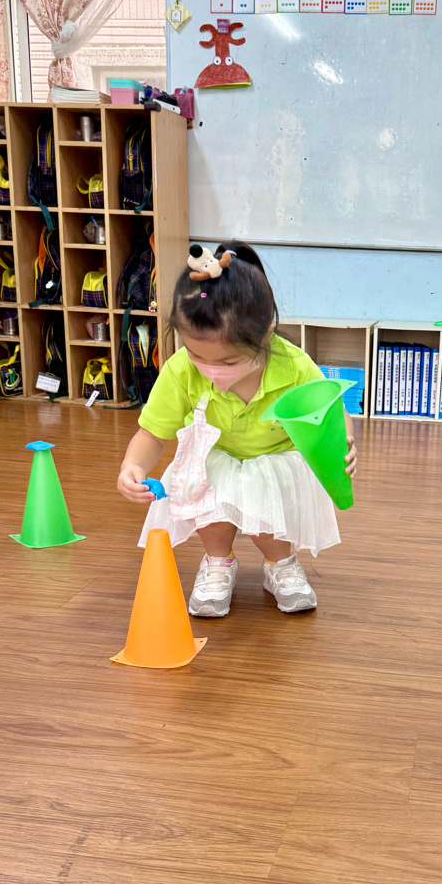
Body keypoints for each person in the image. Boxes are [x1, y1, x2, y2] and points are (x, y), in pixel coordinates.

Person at [116, 241, 357, 618]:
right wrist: (133, 466)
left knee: (269, 522)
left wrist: (344, 441)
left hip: (275, 459)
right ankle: (217, 563)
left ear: (266, 335)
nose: (210, 369)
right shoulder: (181, 370)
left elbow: (330, 408)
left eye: (228, 361)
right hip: (215, 457)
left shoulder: (293, 364)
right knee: (207, 502)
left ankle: (281, 564)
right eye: (197, 355)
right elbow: (153, 433)